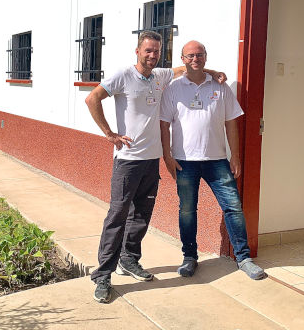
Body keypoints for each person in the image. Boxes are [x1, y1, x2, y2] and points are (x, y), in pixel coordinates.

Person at [85, 31, 226, 303]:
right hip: (128, 161)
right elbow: (92, 99)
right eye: (147, 51)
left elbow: (187, 66)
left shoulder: (160, 76)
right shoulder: (123, 76)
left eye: (157, 51)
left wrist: (213, 71)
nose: (152, 56)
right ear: (137, 51)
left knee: (141, 215)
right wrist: (109, 134)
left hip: (152, 160)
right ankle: (102, 276)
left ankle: (129, 259)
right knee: (117, 216)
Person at [159, 40, 266, 280]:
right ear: (182, 59)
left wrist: (235, 155)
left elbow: (231, 123)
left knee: (233, 207)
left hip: (217, 160)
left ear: (205, 57)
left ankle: (244, 258)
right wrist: (166, 156)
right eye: (190, 56)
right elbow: (164, 125)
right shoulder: (173, 88)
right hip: (184, 161)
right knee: (187, 210)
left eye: (199, 55)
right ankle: (189, 257)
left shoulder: (221, 87)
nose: (195, 59)